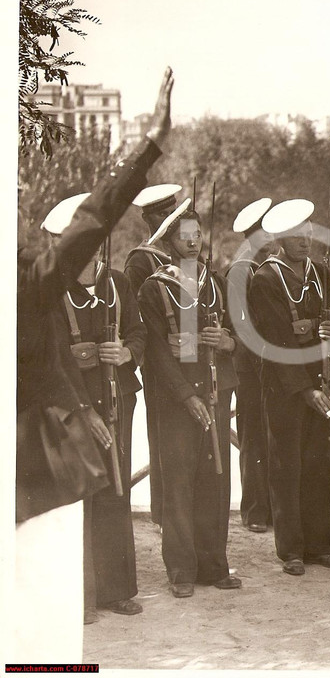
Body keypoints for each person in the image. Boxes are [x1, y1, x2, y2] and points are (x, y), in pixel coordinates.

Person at [14, 67, 173, 662]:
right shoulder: (32, 280)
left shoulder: (31, 282)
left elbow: (88, 228)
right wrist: (148, 148)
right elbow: (89, 224)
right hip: (36, 473)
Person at [40, 195, 148, 623]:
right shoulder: (48, 292)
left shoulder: (117, 282)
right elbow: (42, 359)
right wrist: (82, 404)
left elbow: (140, 334)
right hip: (71, 409)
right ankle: (79, 595)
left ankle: (116, 590)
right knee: (77, 497)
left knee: (115, 490)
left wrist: (125, 353)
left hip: (118, 401)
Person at [138, 198, 242, 597]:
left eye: (197, 235)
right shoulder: (154, 287)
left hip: (217, 391)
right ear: (169, 241)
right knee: (179, 482)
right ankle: (182, 570)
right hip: (177, 400)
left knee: (215, 480)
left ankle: (215, 566)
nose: (193, 242)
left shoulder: (215, 282)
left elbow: (238, 335)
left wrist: (228, 341)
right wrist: (185, 396)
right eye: (184, 237)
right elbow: (157, 356)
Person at [249, 199, 330, 575]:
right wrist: (305, 389)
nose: (305, 240)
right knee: (286, 465)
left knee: (320, 463)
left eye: (308, 231)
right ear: (279, 240)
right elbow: (275, 344)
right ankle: (291, 550)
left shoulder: (321, 273)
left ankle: (320, 546)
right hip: (286, 388)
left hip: (322, 379)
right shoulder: (265, 279)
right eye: (296, 235)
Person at [125, 181, 182, 531]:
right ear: (149, 220)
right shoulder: (141, 260)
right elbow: (135, 318)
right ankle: (162, 513)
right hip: (160, 360)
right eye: (163, 214)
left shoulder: (180, 255)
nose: (170, 219)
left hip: (191, 358)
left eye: (173, 211)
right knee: (163, 437)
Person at [225, 197, 274, 533]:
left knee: (269, 437)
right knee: (254, 438)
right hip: (249, 368)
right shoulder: (241, 270)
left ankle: (268, 507)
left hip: (267, 367)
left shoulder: (260, 268)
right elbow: (243, 326)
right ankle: (254, 511)